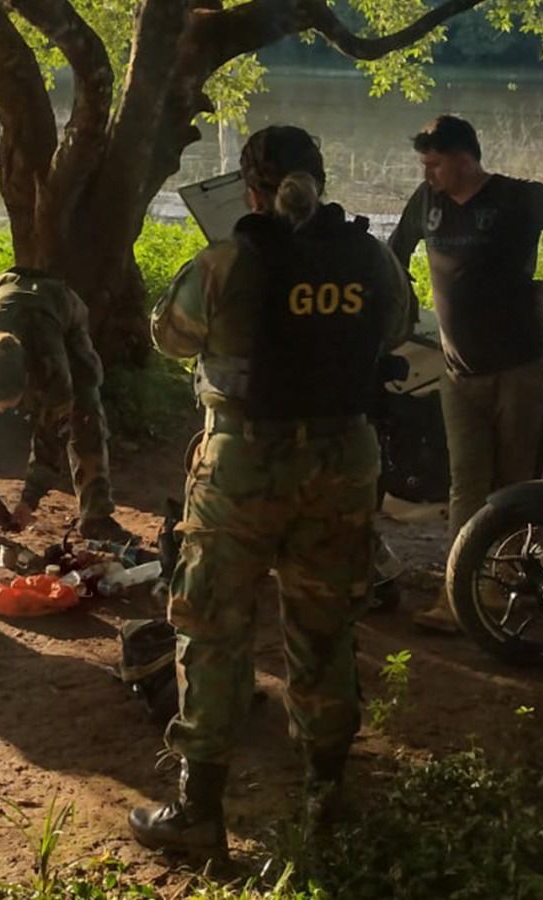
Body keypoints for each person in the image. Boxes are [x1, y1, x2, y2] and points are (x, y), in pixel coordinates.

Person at [129, 126, 410, 858]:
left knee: (213, 630)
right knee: (325, 629)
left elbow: (169, 336)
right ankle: (325, 798)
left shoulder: (228, 260)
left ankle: (198, 812)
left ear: (251, 191)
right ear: (321, 180)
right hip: (342, 464)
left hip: (243, 470)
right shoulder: (370, 257)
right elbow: (397, 326)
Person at [388, 115, 543, 634]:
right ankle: (458, 597)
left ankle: (506, 587)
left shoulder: (518, 198)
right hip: (458, 371)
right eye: (424, 165)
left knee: (515, 484)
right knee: (466, 484)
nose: (427, 175)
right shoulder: (426, 203)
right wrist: (400, 308)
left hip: (520, 367)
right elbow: (394, 255)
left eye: (434, 164)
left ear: (464, 159)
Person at [0, 268, 131, 542]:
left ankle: (96, 515)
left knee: (86, 403)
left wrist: (29, 501)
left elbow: (52, 438)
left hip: (59, 306)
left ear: (29, 382)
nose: (1, 411)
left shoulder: (51, 370)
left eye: (7, 404)